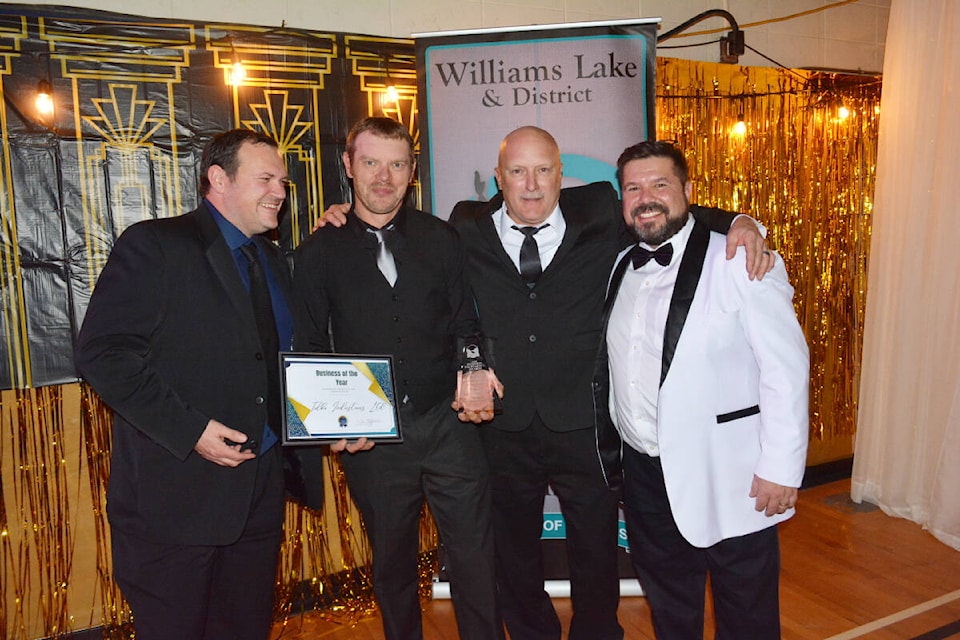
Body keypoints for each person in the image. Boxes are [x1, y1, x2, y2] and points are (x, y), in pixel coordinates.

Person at [446, 126, 772, 640]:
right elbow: (441, 289)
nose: (531, 185)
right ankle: (534, 632)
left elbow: (668, 213)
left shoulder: (600, 209)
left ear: (560, 174)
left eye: (543, 170)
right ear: (498, 178)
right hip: (503, 425)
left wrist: (740, 220)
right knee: (512, 548)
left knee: (596, 546)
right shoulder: (465, 224)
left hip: (586, 423)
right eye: (517, 172)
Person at [75, 129, 294, 640]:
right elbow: (103, 354)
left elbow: (281, 364)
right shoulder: (156, 245)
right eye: (265, 178)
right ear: (218, 178)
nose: (280, 191)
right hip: (175, 502)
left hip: (257, 498)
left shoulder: (273, 262)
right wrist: (192, 430)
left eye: (282, 180)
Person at [292, 117, 504, 640]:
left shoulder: (441, 237)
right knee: (391, 563)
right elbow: (311, 347)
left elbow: (464, 322)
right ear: (348, 166)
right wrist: (328, 424)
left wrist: (474, 368)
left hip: (449, 425)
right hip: (373, 438)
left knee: (476, 558)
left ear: (412, 171)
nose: (383, 177)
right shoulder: (318, 252)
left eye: (396, 164)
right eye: (370, 162)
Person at [595, 140, 809, 639]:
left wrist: (781, 467)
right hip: (645, 474)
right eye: (634, 188)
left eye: (660, 184)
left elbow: (786, 367)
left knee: (746, 610)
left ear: (689, 191)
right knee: (670, 607)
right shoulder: (618, 262)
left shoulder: (738, 257)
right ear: (620, 199)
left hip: (731, 472)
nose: (646, 197)